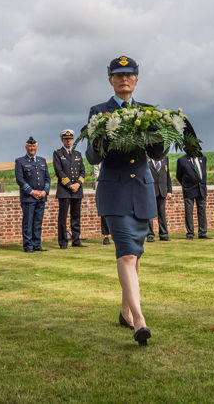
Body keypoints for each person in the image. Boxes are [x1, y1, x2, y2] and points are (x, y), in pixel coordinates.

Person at [85, 55, 165, 347]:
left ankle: (125, 310)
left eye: (129, 75)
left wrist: (160, 134)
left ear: (136, 79)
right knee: (127, 254)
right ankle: (139, 321)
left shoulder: (148, 111)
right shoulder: (99, 111)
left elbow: (157, 154)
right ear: (110, 80)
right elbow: (93, 156)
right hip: (115, 191)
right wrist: (104, 139)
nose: (124, 79)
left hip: (141, 191)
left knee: (137, 255)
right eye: (118, 75)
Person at [15, 137, 50, 253]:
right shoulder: (20, 161)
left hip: (41, 197)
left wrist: (45, 191)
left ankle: (37, 244)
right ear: (26, 148)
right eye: (30, 146)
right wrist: (32, 192)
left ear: (36, 147)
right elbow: (20, 180)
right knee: (28, 223)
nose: (32, 148)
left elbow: (47, 179)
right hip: (28, 198)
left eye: (34, 146)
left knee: (38, 223)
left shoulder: (42, 161)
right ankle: (28, 246)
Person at [53, 129, 86, 249]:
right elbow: (59, 171)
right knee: (63, 218)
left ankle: (76, 240)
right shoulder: (58, 153)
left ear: (73, 140)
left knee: (76, 216)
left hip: (77, 190)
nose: (68, 141)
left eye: (70, 139)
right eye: (66, 139)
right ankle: (63, 242)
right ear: (62, 140)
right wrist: (69, 185)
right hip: (64, 190)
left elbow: (83, 171)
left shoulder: (78, 154)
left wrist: (78, 184)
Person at [175, 151, 209, 239]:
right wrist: (186, 184)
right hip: (189, 189)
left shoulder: (203, 158)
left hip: (201, 188)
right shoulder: (182, 160)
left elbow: (203, 172)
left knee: (202, 211)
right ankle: (190, 233)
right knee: (189, 212)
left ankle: (202, 233)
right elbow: (178, 176)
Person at [147, 155, 173, 241]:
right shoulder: (146, 158)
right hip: (150, 191)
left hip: (162, 191)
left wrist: (169, 190)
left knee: (162, 214)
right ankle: (150, 235)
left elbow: (167, 175)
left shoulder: (165, 158)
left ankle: (164, 234)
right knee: (149, 215)